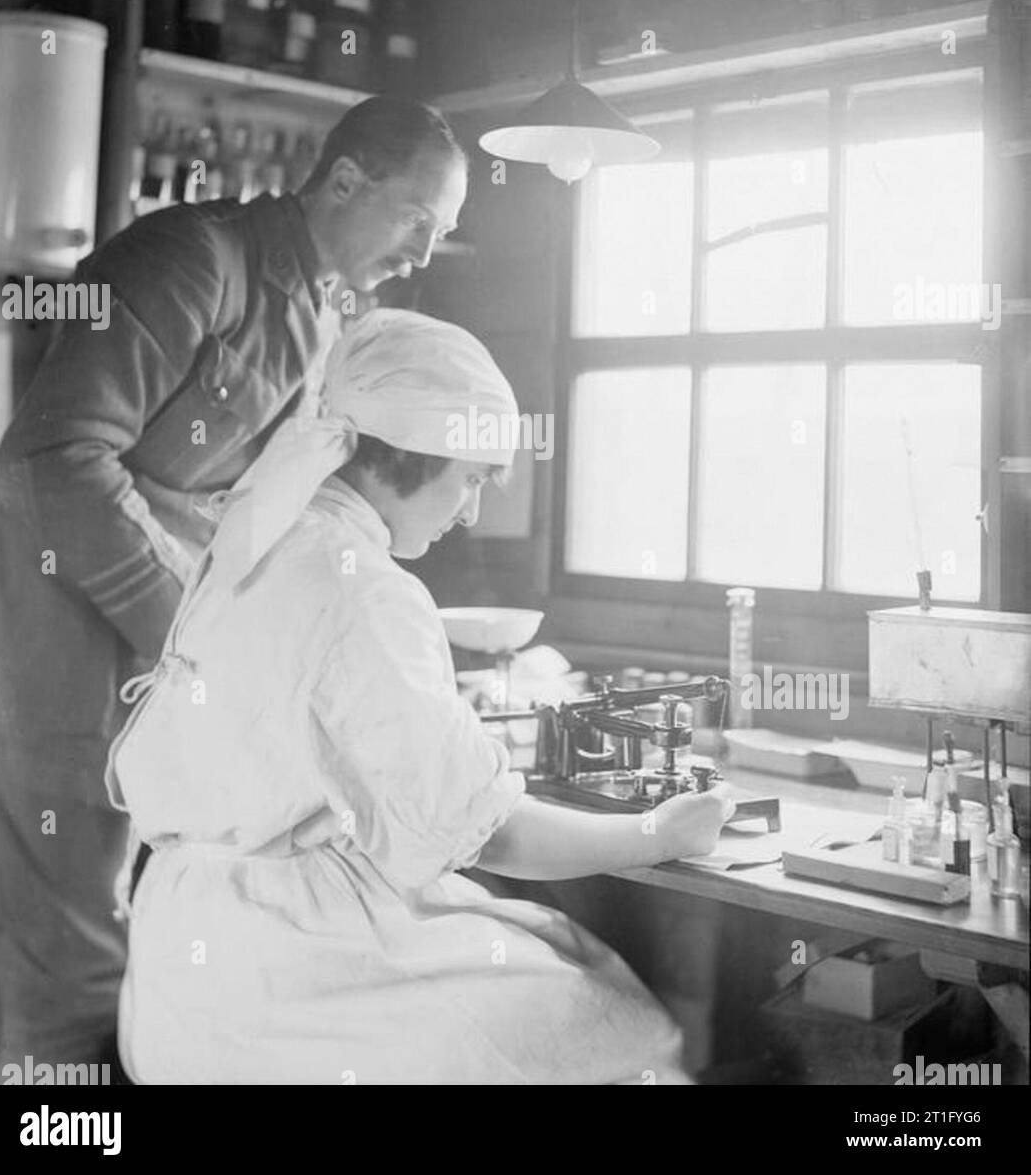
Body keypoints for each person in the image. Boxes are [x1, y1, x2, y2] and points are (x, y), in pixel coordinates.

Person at [0, 98, 467, 1081]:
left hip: (155, 667)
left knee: (148, 955)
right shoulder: (192, 256)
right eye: (416, 218)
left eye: (439, 236)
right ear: (343, 181)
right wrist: (198, 635)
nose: (420, 254)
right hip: (50, 638)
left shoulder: (328, 318)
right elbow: (52, 460)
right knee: (66, 970)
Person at [106, 309, 734, 1085]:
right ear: (413, 455)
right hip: (288, 965)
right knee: (621, 1039)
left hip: (182, 965)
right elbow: (489, 833)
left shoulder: (261, 538)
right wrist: (656, 832)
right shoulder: (364, 586)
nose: (470, 512)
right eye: (470, 478)